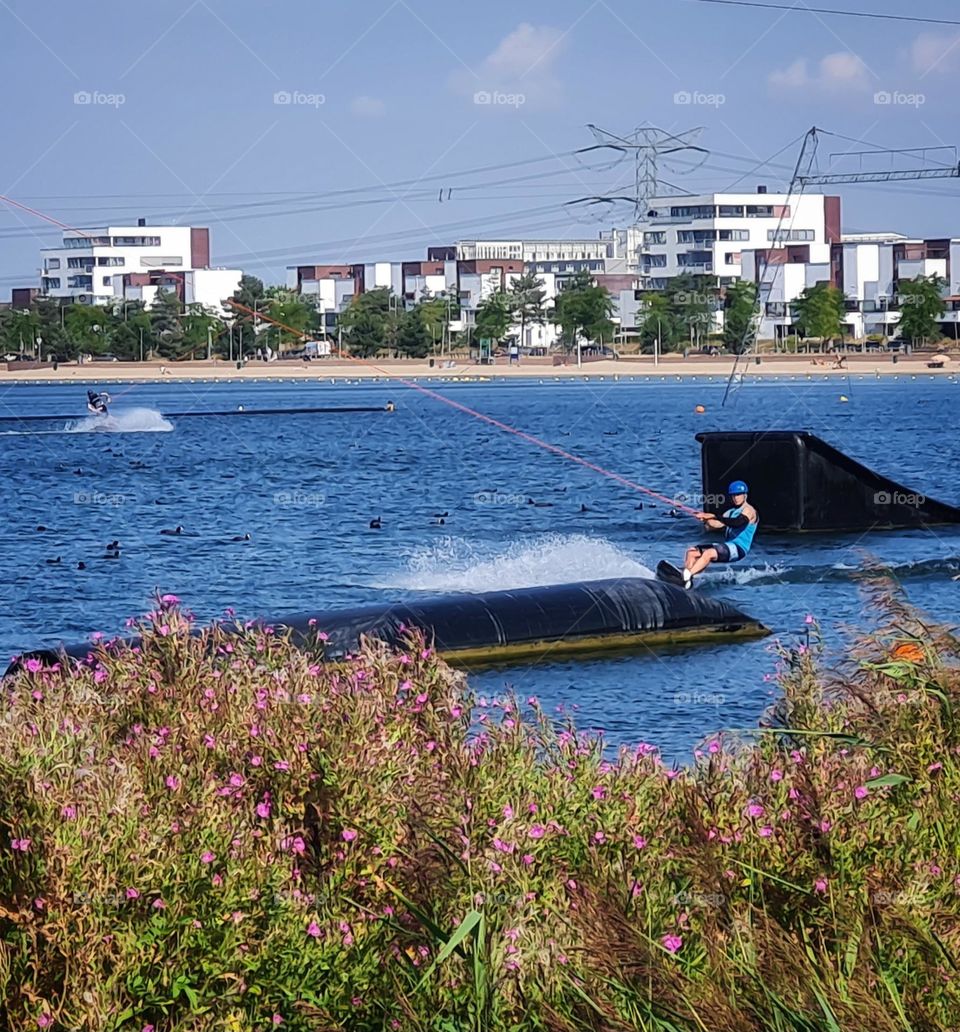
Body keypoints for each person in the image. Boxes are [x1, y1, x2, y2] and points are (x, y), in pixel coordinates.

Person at [682, 480, 758, 589]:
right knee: (691, 552)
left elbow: (738, 522)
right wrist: (705, 520)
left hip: (739, 548)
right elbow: (715, 525)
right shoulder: (729, 512)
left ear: (745, 495)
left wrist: (713, 515)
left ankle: (688, 575)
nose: (736, 498)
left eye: (738, 495)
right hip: (728, 546)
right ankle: (688, 581)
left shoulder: (749, 510)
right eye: (733, 495)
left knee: (709, 553)